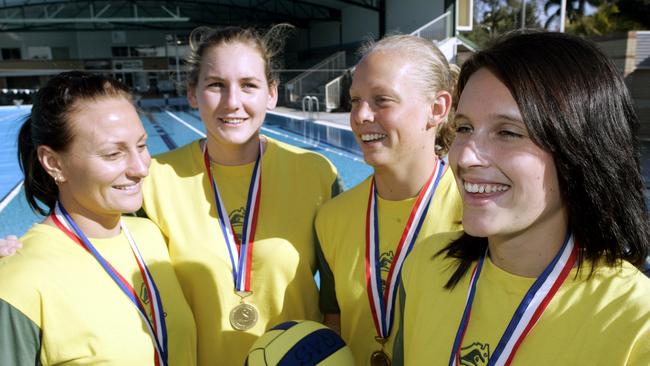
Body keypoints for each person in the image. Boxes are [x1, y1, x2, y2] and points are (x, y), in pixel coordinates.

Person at [395, 31, 650, 365]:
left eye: (508, 133)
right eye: (464, 128)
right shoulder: (424, 267)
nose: (467, 157)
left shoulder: (636, 324)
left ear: (579, 149)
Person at [141, 25, 340, 365]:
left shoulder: (316, 174)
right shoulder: (152, 178)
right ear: (193, 93)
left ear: (271, 94)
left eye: (249, 85)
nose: (233, 103)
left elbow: (336, 301)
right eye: (216, 85)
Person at [0, 71, 197, 365]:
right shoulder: (20, 279)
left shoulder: (151, 236)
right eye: (113, 153)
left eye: (142, 145)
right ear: (54, 163)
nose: (141, 168)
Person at [314, 34, 463, 365]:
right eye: (354, 100)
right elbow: (334, 321)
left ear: (437, 109)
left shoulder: (476, 215)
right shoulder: (331, 218)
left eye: (382, 100)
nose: (361, 115)